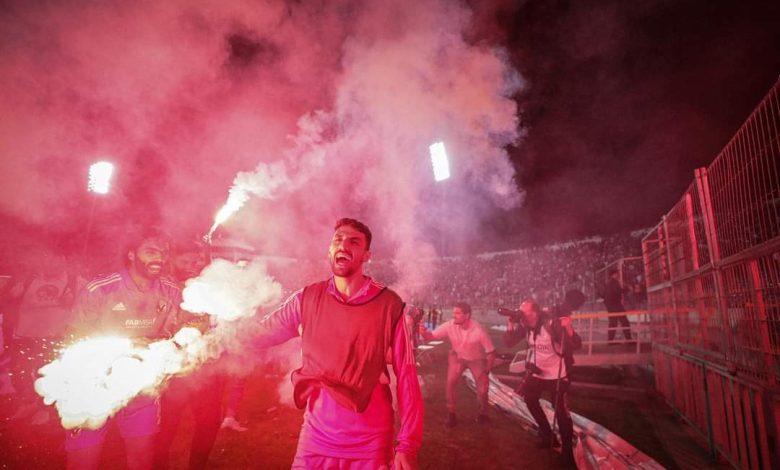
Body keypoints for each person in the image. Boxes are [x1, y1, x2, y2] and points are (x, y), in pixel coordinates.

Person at [243, 218, 422, 469]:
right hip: (316, 439)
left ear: (366, 255)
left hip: (370, 443)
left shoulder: (391, 305)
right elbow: (258, 334)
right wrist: (217, 329)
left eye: (354, 242)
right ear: (329, 250)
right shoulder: (306, 298)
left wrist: (407, 444)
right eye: (338, 239)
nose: (344, 245)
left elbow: (407, 377)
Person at [67, 227, 182, 470]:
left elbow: (174, 333)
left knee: (141, 458)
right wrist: (127, 346)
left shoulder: (171, 290)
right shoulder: (100, 289)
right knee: (83, 461)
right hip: (93, 384)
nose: (160, 257)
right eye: (151, 251)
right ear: (131, 254)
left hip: (141, 387)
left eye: (164, 252)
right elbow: (75, 339)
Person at [154, 239, 222, 470]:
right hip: (175, 372)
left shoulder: (210, 286)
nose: (193, 265)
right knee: (165, 427)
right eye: (187, 260)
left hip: (208, 369)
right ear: (172, 260)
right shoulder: (164, 287)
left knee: (209, 423)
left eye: (197, 260)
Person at [7, 247, 82, 425]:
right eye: (47, 257)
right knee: (19, 374)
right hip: (24, 335)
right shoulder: (29, 279)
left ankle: (47, 411)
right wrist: (12, 293)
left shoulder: (74, 281)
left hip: (54, 339)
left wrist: (74, 302)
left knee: (49, 377)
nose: (51, 262)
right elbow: (9, 299)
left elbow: (90, 304)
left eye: (57, 259)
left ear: (65, 261)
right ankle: (28, 403)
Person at [504, 296, 582, 466]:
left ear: (534, 313)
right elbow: (508, 343)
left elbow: (577, 344)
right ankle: (548, 435)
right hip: (538, 372)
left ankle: (567, 452)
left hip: (558, 373)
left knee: (560, 412)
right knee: (530, 400)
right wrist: (510, 323)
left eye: (523, 311)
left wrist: (568, 329)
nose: (520, 313)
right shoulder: (526, 327)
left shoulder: (551, 325)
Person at [419, 302, 495, 427]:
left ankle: (483, 414)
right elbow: (430, 337)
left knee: (482, 389)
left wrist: (486, 372)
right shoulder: (450, 325)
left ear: (467, 315)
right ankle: (451, 414)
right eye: (454, 313)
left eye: (458, 313)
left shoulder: (478, 331)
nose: (454, 316)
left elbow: (491, 352)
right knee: (451, 382)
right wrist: (423, 333)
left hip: (476, 359)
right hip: (458, 357)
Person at [603, 269, 632, 344]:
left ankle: (610, 341)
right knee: (624, 322)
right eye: (617, 273)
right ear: (614, 274)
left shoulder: (609, 283)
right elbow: (617, 291)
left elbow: (607, 294)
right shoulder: (614, 282)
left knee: (613, 323)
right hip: (616, 304)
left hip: (611, 305)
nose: (618, 275)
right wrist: (627, 289)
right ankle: (629, 340)